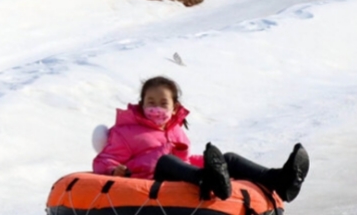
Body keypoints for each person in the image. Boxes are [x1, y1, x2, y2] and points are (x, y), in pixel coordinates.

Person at [92, 76, 309, 203]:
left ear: (174, 106)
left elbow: (183, 161)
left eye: (163, 103)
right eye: (151, 102)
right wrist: (114, 170)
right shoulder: (126, 131)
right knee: (165, 161)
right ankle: (209, 181)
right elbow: (103, 160)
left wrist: (209, 161)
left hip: (175, 178)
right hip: (144, 182)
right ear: (141, 103)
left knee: (229, 159)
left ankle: (280, 181)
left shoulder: (176, 131)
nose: (156, 108)